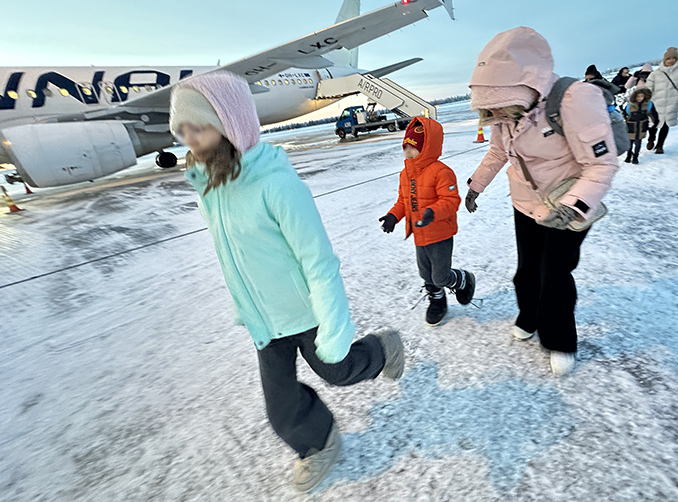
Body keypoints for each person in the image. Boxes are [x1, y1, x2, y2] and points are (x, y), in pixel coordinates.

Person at [169, 70, 405, 493]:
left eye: (197, 126)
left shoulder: (277, 185)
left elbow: (319, 261)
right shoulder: (210, 187)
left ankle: (381, 347)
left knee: (341, 371)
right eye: (181, 129)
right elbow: (235, 256)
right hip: (263, 320)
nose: (188, 138)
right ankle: (319, 443)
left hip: (304, 312)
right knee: (280, 410)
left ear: (229, 125)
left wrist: (334, 328)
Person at [464, 27, 619, 376]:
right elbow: (496, 152)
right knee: (527, 271)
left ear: (526, 88)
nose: (498, 116)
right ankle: (529, 317)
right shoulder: (504, 112)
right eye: (493, 110)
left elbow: (601, 164)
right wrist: (476, 186)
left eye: (503, 106)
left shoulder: (574, 99)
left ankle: (560, 340)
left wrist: (574, 207)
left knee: (555, 275)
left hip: (568, 205)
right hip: (526, 204)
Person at [379, 117, 476, 326]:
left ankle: (463, 279)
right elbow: (403, 202)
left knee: (440, 276)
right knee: (426, 274)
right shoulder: (405, 174)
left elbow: (451, 200)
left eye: (412, 147)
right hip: (419, 234)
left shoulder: (441, 171)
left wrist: (433, 211)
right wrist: (393, 216)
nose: (407, 151)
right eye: (405, 146)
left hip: (440, 233)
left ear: (426, 148)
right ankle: (438, 300)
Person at [645, 47, 678, 153]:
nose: (671, 60)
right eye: (668, 58)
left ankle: (660, 145)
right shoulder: (656, 73)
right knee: (653, 123)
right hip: (656, 102)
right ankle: (651, 139)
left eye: (673, 58)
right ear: (664, 59)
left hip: (672, 102)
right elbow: (648, 87)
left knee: (666, 124)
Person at [622, 87, 659, 164]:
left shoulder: (648, 105)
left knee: (638, 142)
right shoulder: (630, 106)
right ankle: (629, 155)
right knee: (630, 142)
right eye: (638, 96)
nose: (640, 98)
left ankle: (635, 156)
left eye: (642, 96)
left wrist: (654, 123)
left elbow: (654, 115)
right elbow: (624, 115)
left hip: (642, 126)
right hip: (631, 127)